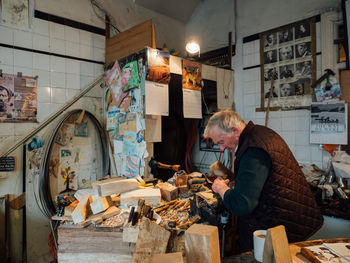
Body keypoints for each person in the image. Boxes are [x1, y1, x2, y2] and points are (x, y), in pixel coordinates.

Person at [204, 110, 323, 252]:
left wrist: (220, 188)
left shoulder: (253, 150)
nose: (221, 148)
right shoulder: (261, 133)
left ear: (234, 131)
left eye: (221, 142)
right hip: (291, 223)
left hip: (282, 229)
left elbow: (242, 205)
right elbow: (264, 181)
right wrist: (238, 186)